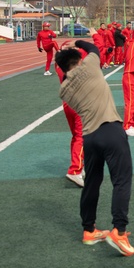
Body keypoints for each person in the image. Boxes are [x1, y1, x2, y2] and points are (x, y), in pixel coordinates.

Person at [55, 32, 134, 257]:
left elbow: (69, 75)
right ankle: (119, 230)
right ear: (79, 60)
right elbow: (95, 49)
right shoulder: (89, 66)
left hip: (90, 138)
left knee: (92, 183)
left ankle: (88, 230)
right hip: (110, 129)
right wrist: (77, 42)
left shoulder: (64, 89)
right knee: (122, 181)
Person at [54, 41, 84, 187]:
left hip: (67, 102)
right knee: (81, 136)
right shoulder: (77, 68)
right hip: (78, 102)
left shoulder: (60, 66)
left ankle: (78, 165)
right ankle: (75, 170)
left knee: (76, 136)